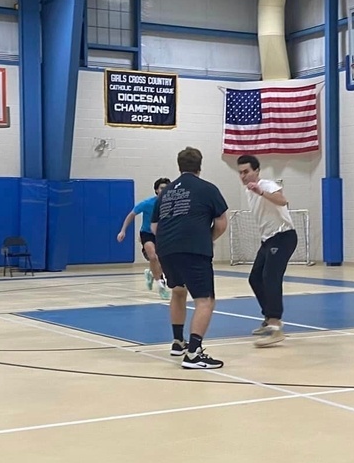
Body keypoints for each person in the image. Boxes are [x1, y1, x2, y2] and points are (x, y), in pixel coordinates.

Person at [152, 147, 229, 370]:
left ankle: (178, 342)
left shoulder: (165, 192)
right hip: (193, 249)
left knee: (178, 291)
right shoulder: (207, 189)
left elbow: (155, 226)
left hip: (166, 250)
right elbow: (222, 222)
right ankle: (194, 353)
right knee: (205, 300)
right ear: (199, 165)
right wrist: (207, 239)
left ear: (179, 166)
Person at [236, 155, 297, 347]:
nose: (243, 176)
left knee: (271, 276)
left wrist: (261, 191)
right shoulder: (248, 192)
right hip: (268, 240)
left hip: (283, 236)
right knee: (255, 278)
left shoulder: (266, 185)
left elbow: (282, 200)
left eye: (246, 171)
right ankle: (268, 319)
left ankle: (275, 325)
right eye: (240, 173)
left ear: (256, 171)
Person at [116, 177, 171, 300]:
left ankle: (151, 273)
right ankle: (161, 286)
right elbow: (132, 214)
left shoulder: (171, 205)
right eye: (162, 188)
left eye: (167, 188)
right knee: (153, 257)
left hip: (162, 234)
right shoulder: (147, 203)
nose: (164, 190)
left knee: (163, 261)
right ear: (156, 190)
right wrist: (123, 230)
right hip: (147, 233)